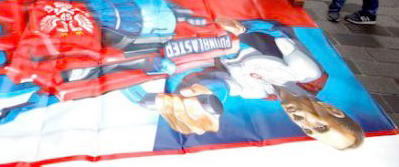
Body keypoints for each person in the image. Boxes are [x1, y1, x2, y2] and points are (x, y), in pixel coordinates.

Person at [155, 18, 364, 149]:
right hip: (221, 20)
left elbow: (222, 84)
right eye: (320, 126)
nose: (303, 124)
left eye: (308, 131)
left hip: (196, 38)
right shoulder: (307, 74)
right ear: (332, 110)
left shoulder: (257, 93)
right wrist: (243, 28)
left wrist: (206, 98)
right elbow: (276, 31)